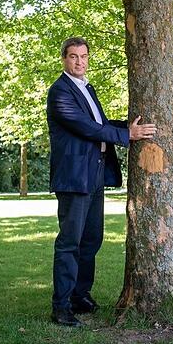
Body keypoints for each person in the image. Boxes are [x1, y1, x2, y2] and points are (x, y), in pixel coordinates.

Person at [46, 37, 156, 327]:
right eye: (73, 56)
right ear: (64, 59)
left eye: (83, 56)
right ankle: (61, 307)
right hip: (74, 177)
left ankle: (80, 296)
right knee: (70, 243)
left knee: (91, 239)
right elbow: (86, 128)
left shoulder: (87, 88)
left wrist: (126, 127)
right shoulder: (60, 91)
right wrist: (126, 136)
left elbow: (101, 124)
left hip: (94, 174)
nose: (79, 62)